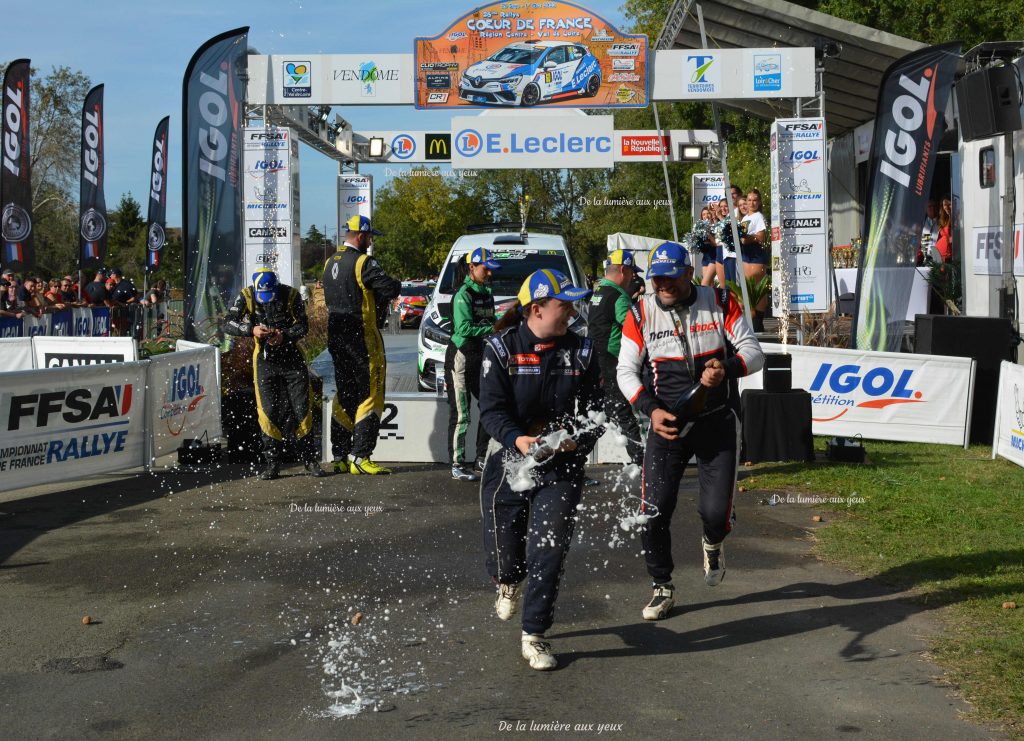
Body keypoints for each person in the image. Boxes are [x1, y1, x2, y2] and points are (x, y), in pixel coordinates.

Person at [617, 241, 764, 621]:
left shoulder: (718, 300)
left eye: (670, 278)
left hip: (716, 421)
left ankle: (713, 542)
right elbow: (625, 372)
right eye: (657, 280)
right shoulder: (640, 311)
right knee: (653, 511)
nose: (663, 286)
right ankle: (661, 586)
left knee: (715, 514)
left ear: (688, 273)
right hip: (666, 425)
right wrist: (649, 411)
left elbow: (754, 353)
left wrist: (726, 368)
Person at [478, 269, 603, 670]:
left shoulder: (583, 351)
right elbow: (491, 412)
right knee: (508, 555)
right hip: (509, 459)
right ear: (536, 309)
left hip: (561, 465)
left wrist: (576, 441)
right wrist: (519, 441)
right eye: (563, 304)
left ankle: (534, 634)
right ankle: (508, 583)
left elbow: (596, 413)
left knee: (547, 549)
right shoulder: (500, 347)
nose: (571, 312)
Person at [223, 268, 325, 480]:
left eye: (271, 296)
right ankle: (272, 464)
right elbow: (228, 323)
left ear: (276, 288)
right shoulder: (247, 296)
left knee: (301, 409)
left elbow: (303, 326)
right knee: (267, 411)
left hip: (292, 360)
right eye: (264, 297)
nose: (268, 301)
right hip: (264, 361)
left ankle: (310, 461)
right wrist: (250, 330)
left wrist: (284, 335)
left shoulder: (291, 295)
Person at [322, 214, 401, 475]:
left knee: (344, 394)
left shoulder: (328, 262)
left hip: (336, 336)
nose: (370, 241)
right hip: (362, 336)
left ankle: (340, 455)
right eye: (369, 237)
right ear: (361, 235)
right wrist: (396, 285)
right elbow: (389, 288)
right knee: (371, 392)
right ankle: (362, 456)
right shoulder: (364, 261)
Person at [446, 247, 500, 482]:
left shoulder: (487, 292)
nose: (489, 273)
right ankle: (457, 464)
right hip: (461, 358)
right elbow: (464, 329)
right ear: (472, 267)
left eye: (491, 269)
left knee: (490, 406)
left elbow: (492, 320)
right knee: (462, 414)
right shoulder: (463, 293)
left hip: (481, 356)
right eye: (485, 268)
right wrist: (495, 329)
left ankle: (480, 458)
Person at [588, 249, 644, 466]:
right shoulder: (618, 296)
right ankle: (642, 463)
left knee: (598, 416)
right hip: (612, 362)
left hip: (595, 360)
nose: (632, 278)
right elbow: (634, 327)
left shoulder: (598, 291)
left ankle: (571, 463)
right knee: (622, 413)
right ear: (623, 270)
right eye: (631, 273)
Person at [739, 188, 770, 332]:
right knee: (749, 289)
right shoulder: (745, 218)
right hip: (746, 256)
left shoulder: (758, 217)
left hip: (756, 255)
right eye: (749, 200)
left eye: (754, 200)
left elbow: (761, 237)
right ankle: (753, 322)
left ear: (759, 202)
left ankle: (758, 322)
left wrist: (747, 239)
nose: (751, 203)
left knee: (757, 290)